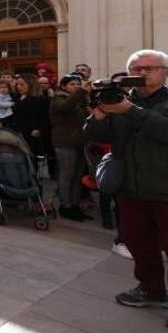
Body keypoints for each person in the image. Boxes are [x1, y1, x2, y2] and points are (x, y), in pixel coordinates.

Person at [84, 49, 168, 311]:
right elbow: (93, 136)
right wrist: (97, 116)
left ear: (164, 72)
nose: (142, 73)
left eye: (149, 68)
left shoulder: (130, 106)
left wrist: (131, 111)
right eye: (136, 69)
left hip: (164, 188)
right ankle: (151, 289)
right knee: (138, 243)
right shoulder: (119, 101)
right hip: (129, 188)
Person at [51, 74, 92, 222]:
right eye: (72, 84)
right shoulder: (58, 98)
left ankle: (75, 205)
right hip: (65, 142)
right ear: (63, 86)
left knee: (77, 176)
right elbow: (65, 107)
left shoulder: (80, 100)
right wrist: (81, 91)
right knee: (67, 175)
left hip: (80, 142)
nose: (76, 86)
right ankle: (65, 206)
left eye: (77, 84)